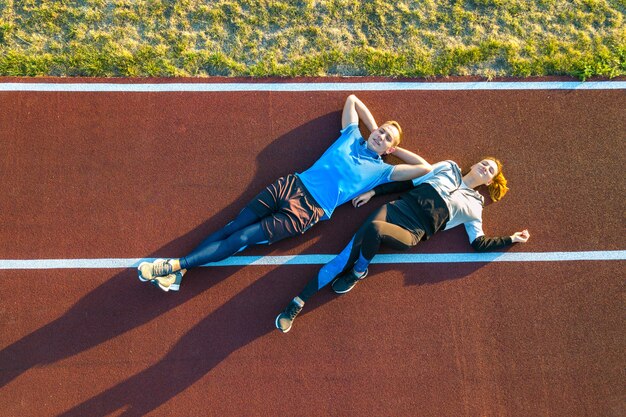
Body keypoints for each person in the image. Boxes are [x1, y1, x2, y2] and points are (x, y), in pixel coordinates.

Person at [137, 94, 432, 291]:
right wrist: (373, 128)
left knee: (242, 238)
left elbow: (424, 167)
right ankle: (180, 274)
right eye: (380, 131)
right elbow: (353, 99)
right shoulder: (351, 135)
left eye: (386, 139)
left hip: (307, 212)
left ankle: (175, 265)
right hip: (289, 185)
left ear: (390, 149)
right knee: (233, 226)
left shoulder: (382, 171)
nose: (380, 136)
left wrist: (392, 151)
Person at [275, 157, 531, 332]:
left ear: (488, 182)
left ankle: (359, 270)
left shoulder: (475, 207)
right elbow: (411, 182)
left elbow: (478, 242)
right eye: (484, 163)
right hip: (394, 210)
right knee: (343, 256)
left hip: (413, 231)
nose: (485, 168)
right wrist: (374, 193)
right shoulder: (449, 168)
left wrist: (511, 239)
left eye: (490, 171)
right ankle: (297, 302)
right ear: (475, 163)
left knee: (373, 231)